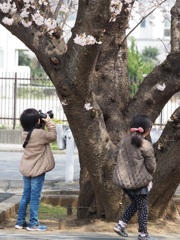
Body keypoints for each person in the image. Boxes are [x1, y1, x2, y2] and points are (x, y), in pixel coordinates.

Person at [113, 114, 156, 240]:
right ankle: (143, 234)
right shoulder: (146, 145)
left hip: (123, 182)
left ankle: (120, 225)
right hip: (140, 182)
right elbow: (151, 167)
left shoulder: (123, 140)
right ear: (147, 130)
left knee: (137, 203)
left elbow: (115, 156)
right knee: (143, 208)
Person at [15, 108, 56, 231]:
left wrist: (39, 123)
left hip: (27, 169)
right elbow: (53, 136)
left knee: (25, 196)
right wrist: (48, 122)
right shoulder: (39, 134)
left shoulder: (25, 132)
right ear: (36, 121)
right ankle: (33, 223)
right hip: (37, 170)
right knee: (34, 197)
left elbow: (36, 132)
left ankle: (20, 222)